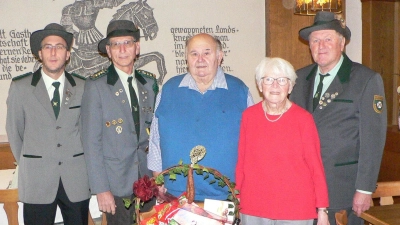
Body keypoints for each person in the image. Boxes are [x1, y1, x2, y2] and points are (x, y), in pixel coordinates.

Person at [290, 11, 387, 225]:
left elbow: (373, 140)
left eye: (328, 39)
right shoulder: (298, 79)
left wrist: (364, 188)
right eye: (315, 40)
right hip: (303, 190)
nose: (321, 45)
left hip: (342, 190)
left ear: (341, 43)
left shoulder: (365, 80)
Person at [147, 33, 254, 201]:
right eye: (194, 54)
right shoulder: (168, 90)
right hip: (175, 194)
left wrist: (245, 187)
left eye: (207, 53)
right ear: (186, 58)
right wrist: (158, 178)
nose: (200, 59)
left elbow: (252, 145)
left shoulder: (240, 91)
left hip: (225, 196)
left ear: (219, 56)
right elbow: (155, 138)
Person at [6, 23, 90, 225]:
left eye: (59, 47)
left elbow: (88, 132)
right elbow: (14, 132)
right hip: (37, 179)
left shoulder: (83, 87)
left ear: (67, 54)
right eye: (47, 47)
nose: (53, 52)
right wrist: (33, 161)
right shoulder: (21, 87)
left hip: (75, 179)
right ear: (40, 53)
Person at [81, 20, 158, 224]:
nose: (122, 49)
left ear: (137, 47)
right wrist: (101, 189)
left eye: (128, 43)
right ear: (108, 50)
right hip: (116, 184)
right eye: (116, 44)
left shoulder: (149, 84)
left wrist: (159, 177)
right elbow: (91, 143)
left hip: (147, 180)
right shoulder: (96, 86)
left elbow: (157, 134)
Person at [235, 57, 329, 225]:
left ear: (291, 86)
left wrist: (322, 209)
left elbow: (316, 166)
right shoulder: (249, 116)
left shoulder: (304, 119)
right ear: (259, 85)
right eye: (268, 79)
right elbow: (242, 161)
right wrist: (236, 198)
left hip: (296, 209)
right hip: (253, 206)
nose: (275, 86)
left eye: (282, 80)